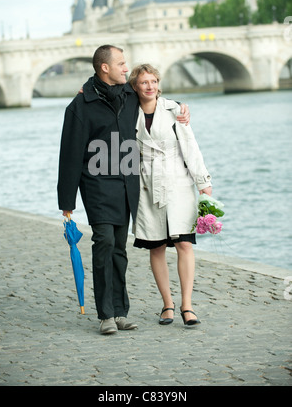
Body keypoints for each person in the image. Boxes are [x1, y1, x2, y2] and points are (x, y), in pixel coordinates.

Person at [57, 45, 190, 335]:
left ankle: (120, 312)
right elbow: (69, 154)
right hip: (96, 184)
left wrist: (180, 106)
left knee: (119, 248)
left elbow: (153, 96)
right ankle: (105, 314)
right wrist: (67, 202)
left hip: (128, 184)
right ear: (104, 68)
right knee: (103, 243)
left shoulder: (130, 95)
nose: (125, 67)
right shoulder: (80, 106)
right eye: (120, 63)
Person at [129, 64, 212, 327]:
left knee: (184, 243)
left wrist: (203, 181)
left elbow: (190, 146)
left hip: (178, 182)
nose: (150, 86)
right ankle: (167, 304)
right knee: (156, 245)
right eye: (144, 82)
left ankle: (187, 305)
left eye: (153, 81)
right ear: (135, 86)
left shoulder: (174, 110)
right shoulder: (128, 112)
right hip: (147, 182)